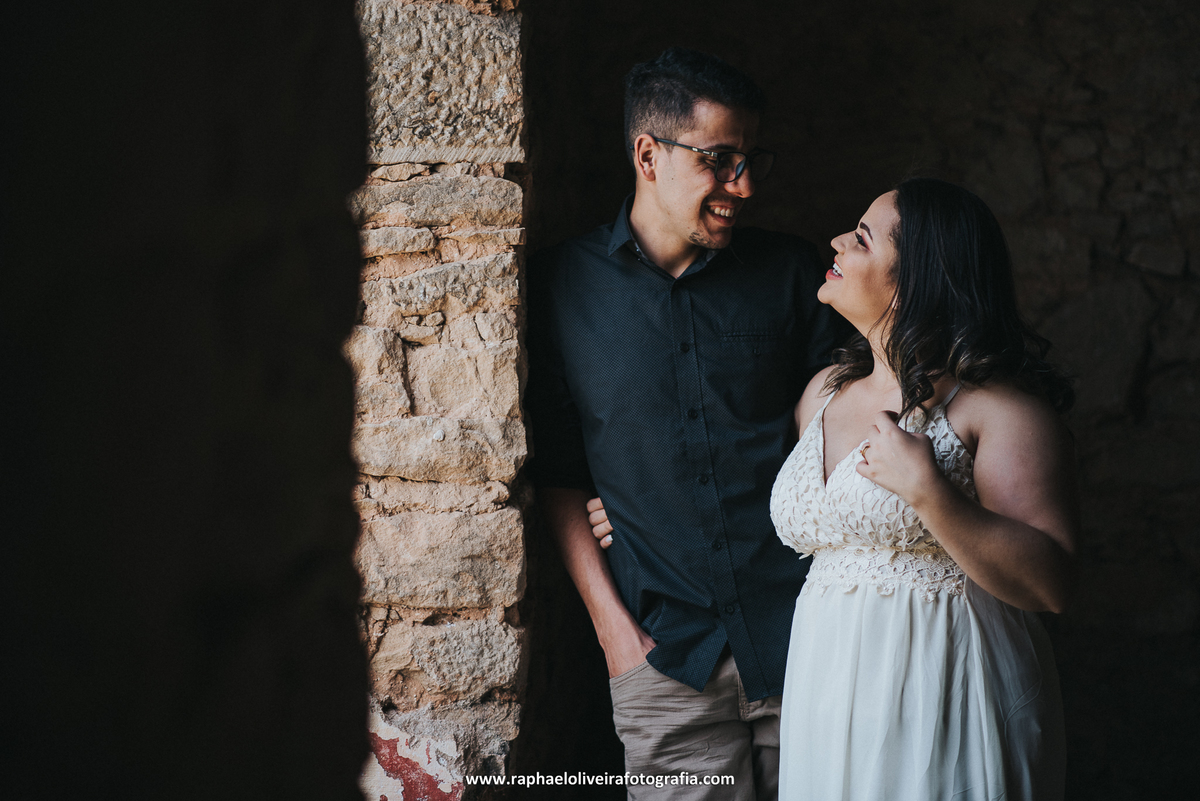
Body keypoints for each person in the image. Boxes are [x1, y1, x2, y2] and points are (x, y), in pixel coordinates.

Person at [526, 47, 845, 800]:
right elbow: (561, 473)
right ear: (647, 154)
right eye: (721, 159)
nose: (745, 184)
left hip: (814, 644)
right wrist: (615, 635)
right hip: (666, 663)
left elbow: (855, 425)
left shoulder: (799, 277)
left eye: (751, 157)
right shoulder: (559, 289)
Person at [769, 178, 1075, 800]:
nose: (835, 241)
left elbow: (1052, 584)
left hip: (946, 685)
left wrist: (930, 494)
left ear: (916, 279)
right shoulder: (823, 391)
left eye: (860, 237)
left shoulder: (996, 411)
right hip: (827, 692)